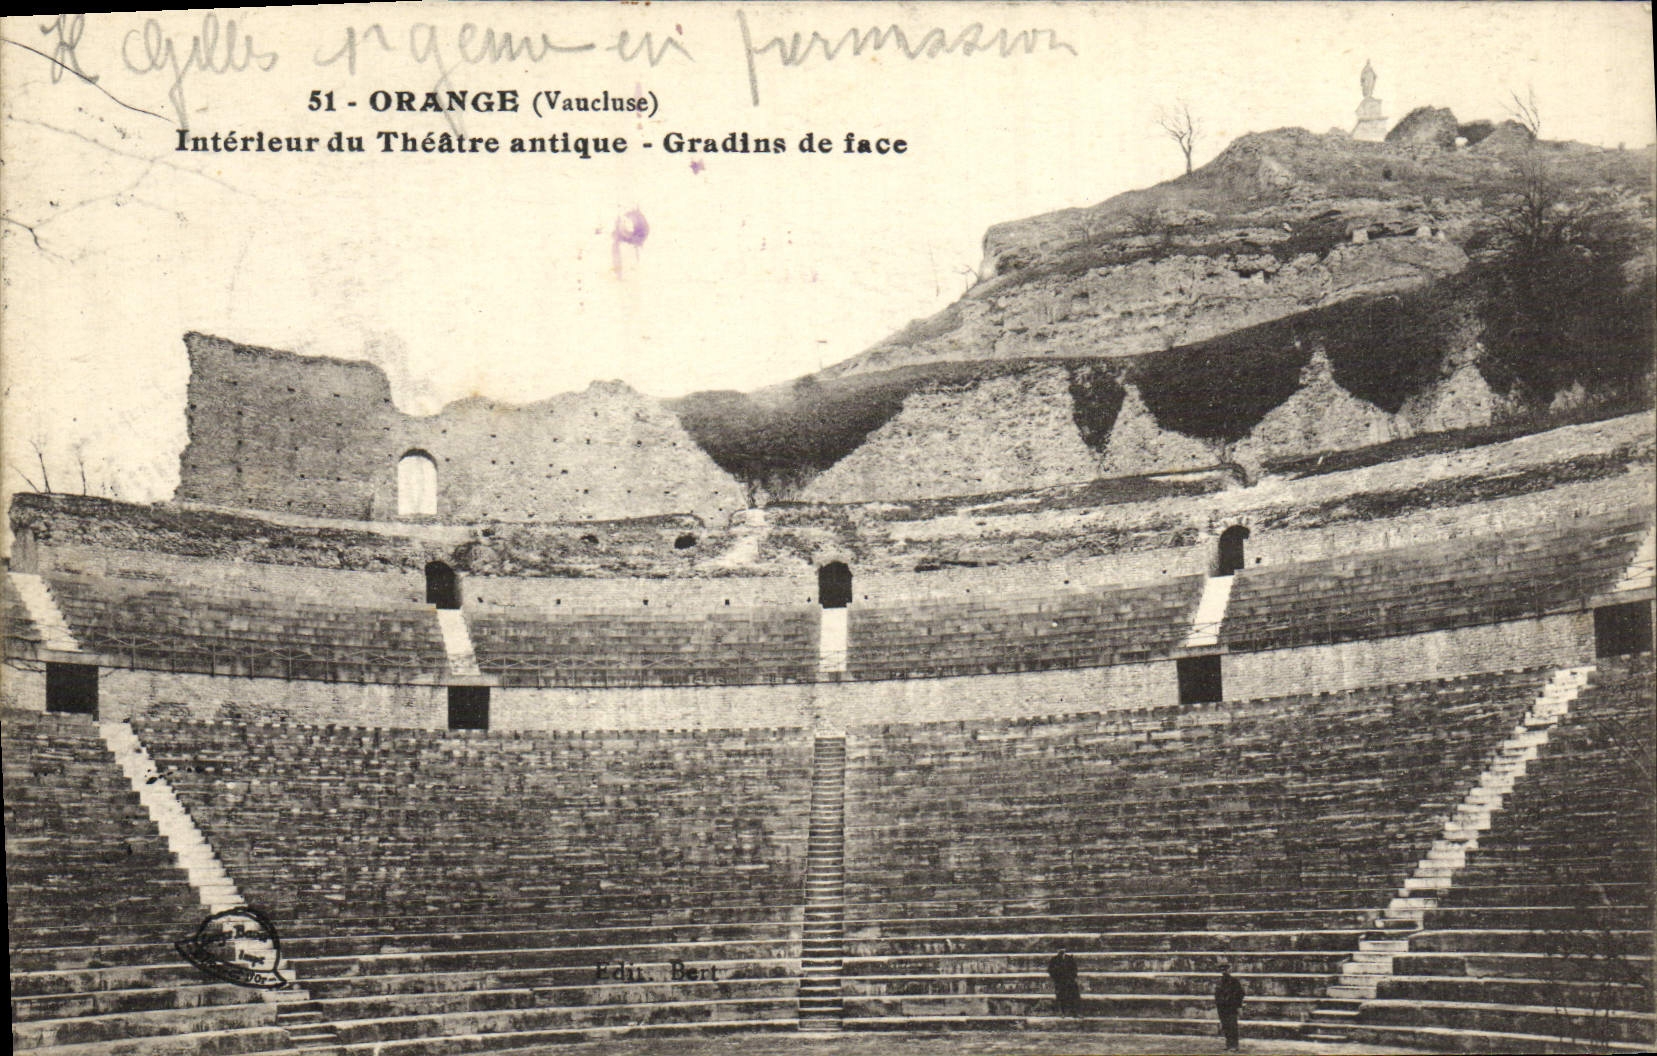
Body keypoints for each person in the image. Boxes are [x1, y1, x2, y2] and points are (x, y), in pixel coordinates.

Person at [1215, 965, 1246, 1051]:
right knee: (1226, 1026)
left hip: (1231, 1007)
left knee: (1232, 1026)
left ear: (1229, 970)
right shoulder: (1220, 982)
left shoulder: (1234, 981)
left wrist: (1238, 1005)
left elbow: (1241, 993)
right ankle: (1228, 1044)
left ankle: (1234, 1045)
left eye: (1226, 970)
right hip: (1222, 1007)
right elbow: (1217, 994)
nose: (1224, 972)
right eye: (1222, 970)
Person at [1047, 948, 1082, 1017]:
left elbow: (1075, 969)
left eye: (1062, 949)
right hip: (1060, 981)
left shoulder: (1069, 958)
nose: (1061, 951)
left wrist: (1072, 978)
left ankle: (1075, 1012)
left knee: (1074, 994)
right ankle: (1062, 1012)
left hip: (1070, 980)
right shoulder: (1054, 959)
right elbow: (1050, 970)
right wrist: (1056, 979)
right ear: (1057, 951)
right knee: (1061, 995)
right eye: (1059, 949)